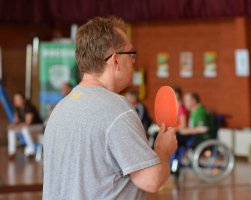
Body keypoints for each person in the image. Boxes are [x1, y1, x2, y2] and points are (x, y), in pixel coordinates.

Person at [43, 17, 177, 200]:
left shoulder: (61, 108)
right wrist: (163, 149)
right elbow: (151, 180)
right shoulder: (117, 109)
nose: (134, 61)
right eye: (131, 54)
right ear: (115, 61)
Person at [7, 93, 43, 159]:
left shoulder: (29, 107)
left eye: (18, 99)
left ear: (23, 100)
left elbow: (28, 123)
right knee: (12, 130)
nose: (16, 101)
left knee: (25, 129)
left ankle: (32, 150)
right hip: (26, 127)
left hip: (38, 126)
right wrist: (12, 126)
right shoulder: (17, 109)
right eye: (15, 99)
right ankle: (12, 152)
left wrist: (17, 125)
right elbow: (16, 122)